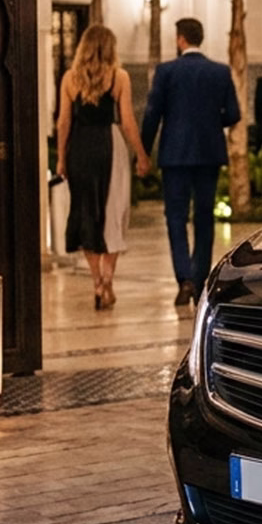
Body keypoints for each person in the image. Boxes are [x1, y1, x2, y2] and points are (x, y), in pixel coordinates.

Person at [142, 18, 241, 306]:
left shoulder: (166, 72)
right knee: (204, 217)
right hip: (208, 153)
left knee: (175, 217)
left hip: (174, 154)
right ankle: (199, 281)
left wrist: (144, 151)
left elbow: (152, 114)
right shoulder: (220, 72)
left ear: (180, 39)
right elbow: (233, 114)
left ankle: (183, 278)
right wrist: (211, 123)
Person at [55, 25, 153, 310]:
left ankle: (96, 279)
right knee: (114, 213)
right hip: (110, 147)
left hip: (80, 149)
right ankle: (108, 280)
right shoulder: (118, 77)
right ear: (110, 47)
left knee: (85, 212)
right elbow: (127, 121)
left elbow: (63, 122)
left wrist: (61, 158)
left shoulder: (69, 79)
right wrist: (142, 155)